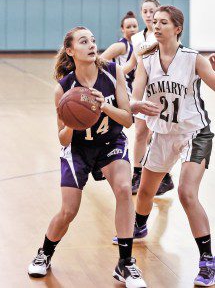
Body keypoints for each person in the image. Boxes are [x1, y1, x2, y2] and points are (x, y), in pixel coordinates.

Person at [27, 26, 150, 288]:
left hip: (110, 143)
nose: (92, 45)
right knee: (69, 210)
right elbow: (62, 138)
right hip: (79, 150)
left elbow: (127, 120)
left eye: (93, 40)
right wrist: (73, 119)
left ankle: (125, 263)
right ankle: (45, 252)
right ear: (71, 51)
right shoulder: (63, 89)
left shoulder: (113, 72)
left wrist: (103, 106)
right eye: (84, 42)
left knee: (125, 189)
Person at [131, 5, 215, 286]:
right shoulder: (147, 59)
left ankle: (207, 261)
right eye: (154, 22)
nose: (156, 26)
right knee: (144, 191)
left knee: (186, 192)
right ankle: (139, 226)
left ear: (177, 28)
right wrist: (135, 104)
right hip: (163, 134)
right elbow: (135, 95)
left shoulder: (194, 59)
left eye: (163, 22)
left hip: (194, 133)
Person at [123, 0, 174, 196]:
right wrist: (107, 71)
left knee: (159, 135)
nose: (148, 14)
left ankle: (165, 175)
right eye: (145, 11)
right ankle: (137, 174)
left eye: (152, 10)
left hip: (162, 91)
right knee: (139, 133)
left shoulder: (164, 35)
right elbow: (130, 65)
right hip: (142, 90)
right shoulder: (137, 39)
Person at [101, 11, 139, 96]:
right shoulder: (121, 45)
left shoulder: (134, 45)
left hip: (130, 86)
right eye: (128, 27)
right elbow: (99, 61)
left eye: (134, 26)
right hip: (120, 87)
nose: (132, 29)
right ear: (122, 29)